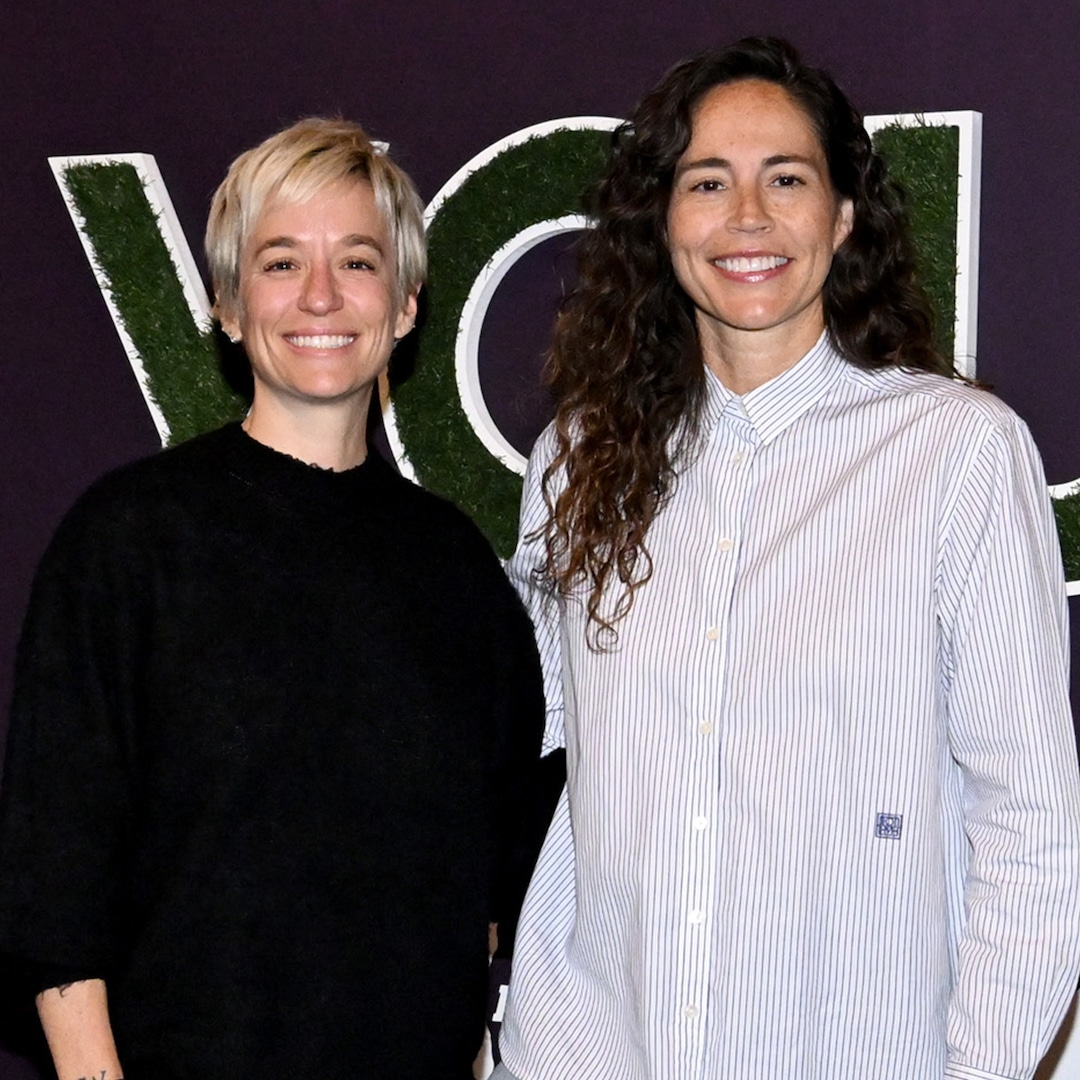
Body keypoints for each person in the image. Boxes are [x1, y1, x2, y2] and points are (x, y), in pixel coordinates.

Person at [494, 36, 1080, 1080]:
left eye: (787, 179)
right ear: (662, 220)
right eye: (707, 182)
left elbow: (1029, 816)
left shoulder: (956, 453)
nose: (748, 217)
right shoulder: (576, 458)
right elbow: (509, 736)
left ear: (843, 216)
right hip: (593, 1051)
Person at [0, 117, 544, 1079]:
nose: (321, 295)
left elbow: (486, 903)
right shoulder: (130, 542)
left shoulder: (456, 567)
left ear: (406, 305)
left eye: (358, 262)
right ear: (227, 303)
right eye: (282, 262)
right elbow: (55, 890)